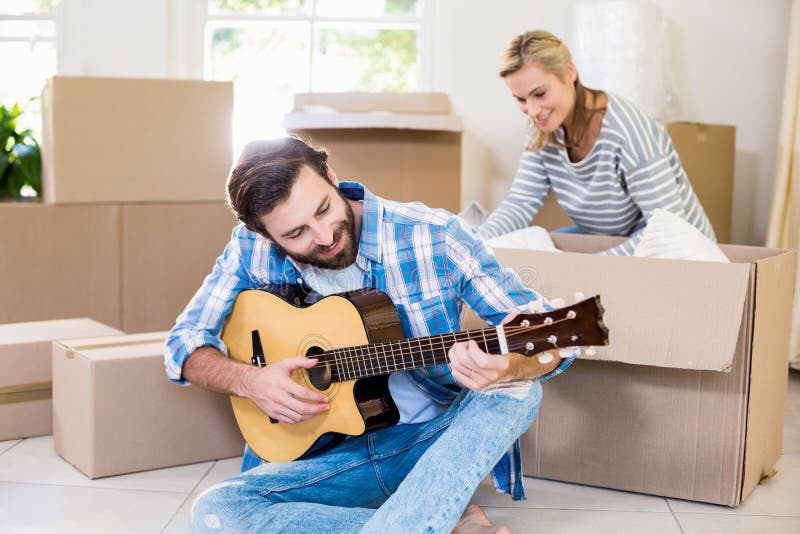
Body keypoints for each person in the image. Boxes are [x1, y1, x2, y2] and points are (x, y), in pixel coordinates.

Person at [164, 136, 577, 533]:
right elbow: (183, 344)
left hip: (427, 449)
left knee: (518, 390)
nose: (323, 237)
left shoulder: (433, 235)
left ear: (329, 174)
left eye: (324, 209)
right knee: (216, 512)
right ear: (264, 233)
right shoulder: (249, 249)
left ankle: (421, 516)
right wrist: (250, 381)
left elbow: (543, 328)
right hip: (316, 458)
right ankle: (436, 523)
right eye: (295, 234)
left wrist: (508, 366)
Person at [477, 29, 715, 256]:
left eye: (540, 94)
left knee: (556, 269)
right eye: (521, 99)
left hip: (679, 248)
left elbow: (669, 230)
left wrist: (593, 268)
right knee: (533, 252)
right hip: (613, 237)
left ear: (570, 72)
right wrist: (474, 242)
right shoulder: (543, 128)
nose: (532, 110)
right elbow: (520, 202)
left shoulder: (627, 131)